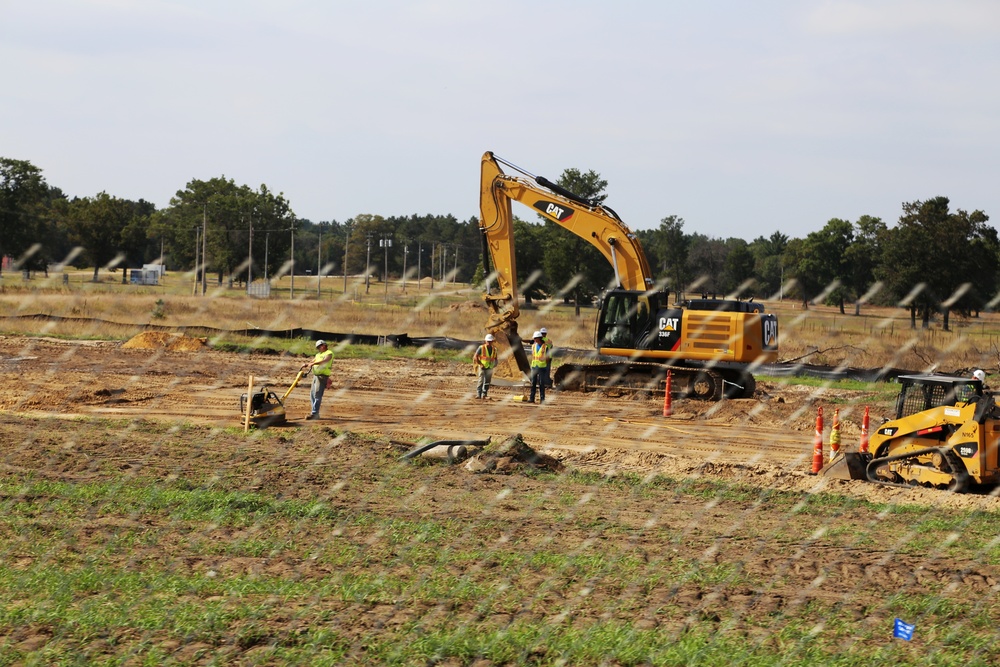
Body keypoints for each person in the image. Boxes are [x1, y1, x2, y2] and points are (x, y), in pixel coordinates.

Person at [300, 339, 334, 420]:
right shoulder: (318, 354)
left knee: (317, 395)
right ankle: (314, 412)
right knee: (312, 394)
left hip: (322, 376)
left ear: (324, 345)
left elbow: (325, 361)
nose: (319, 348)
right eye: (318, 347)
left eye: (320, 346)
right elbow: (312, 361)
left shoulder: (329, 353)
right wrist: (307, 364)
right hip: (316, 376)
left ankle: (314, 414)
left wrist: (313, 363)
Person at [472, 333, 498, 399]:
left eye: (490, 341)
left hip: (490, 367)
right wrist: (480, 364)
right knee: (481, 380)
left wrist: (495, 364)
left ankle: (484, 394)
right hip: (482, 367)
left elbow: (495, 358)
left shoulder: (494, 349)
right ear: (485, 341)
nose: (489, 342)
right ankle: (478, 394)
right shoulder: (481, 348)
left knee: (487, 381)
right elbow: (475, 357)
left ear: (492, 341)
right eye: (488, 341)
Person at [528, 330, 549, 404]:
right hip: (534, 366)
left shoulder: (545, 347)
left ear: (539, 338)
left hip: (542, 367)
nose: (534, 340)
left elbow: (547, 357)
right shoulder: (533, 346)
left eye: (535, 338)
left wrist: (544, 364)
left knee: (541, 383)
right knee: (533, 383)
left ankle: (542, 399)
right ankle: (531, 398)